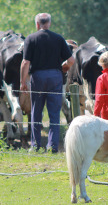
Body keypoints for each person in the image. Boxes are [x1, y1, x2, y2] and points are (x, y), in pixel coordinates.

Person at [20, 13, 75, 153]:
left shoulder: (31, 39)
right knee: (54, 113)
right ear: (49, 23)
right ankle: (53, 147)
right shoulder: (58, 38)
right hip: (55, 77)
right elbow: (71, 60)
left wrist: (22, 82)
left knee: (36, 111)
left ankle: (36, 146)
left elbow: (25, 62)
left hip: (37, 77)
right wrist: (64, 68)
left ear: (37, 24)